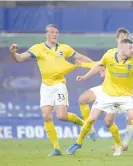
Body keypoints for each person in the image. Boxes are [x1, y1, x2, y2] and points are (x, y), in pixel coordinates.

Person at [66, 38, 133, 157]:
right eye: (130, 48)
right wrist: (85, 76)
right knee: (91, 119)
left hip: (125, 96)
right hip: (107, 94)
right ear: (122, 49)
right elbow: (98, 66)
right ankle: (78, 143)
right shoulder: (109, 55)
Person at [9, 24, 95, 156]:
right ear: (46, 34)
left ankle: (86, 125)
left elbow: (80, 57)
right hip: (46, 86)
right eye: (52, 32)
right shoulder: (38, 48)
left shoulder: (64, 48)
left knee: (61, 116)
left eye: (57, 32)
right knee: (46, 115)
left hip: (59, 84)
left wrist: (96, 64)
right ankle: (56, 148)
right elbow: (20, 58)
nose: (55, 34)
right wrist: (14, 53)